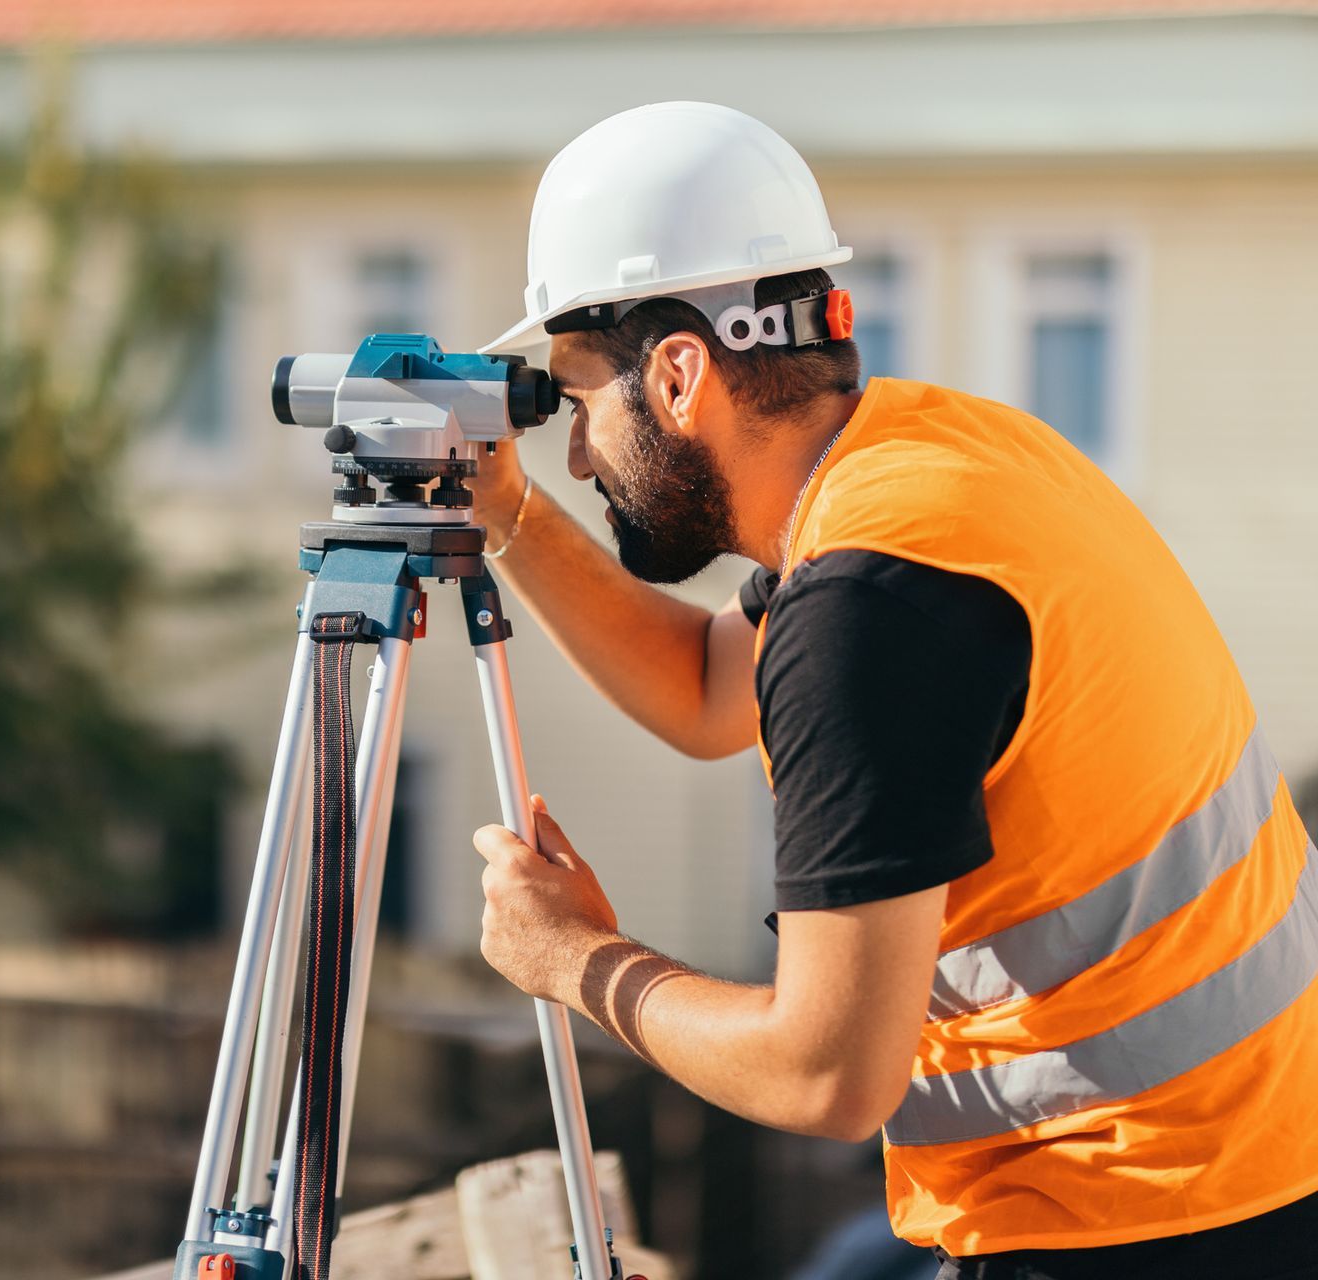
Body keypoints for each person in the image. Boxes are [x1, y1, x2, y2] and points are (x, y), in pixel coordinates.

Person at [466, 101, 1318, 1279]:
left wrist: (573, 959)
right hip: (1253, 1167)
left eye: (577, 402)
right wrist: (505, 511)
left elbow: (825, 1072)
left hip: (1132, 1221)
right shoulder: (944, 458)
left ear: (677, 375)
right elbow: (713, 687)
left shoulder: (870, 606)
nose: (573, 454)